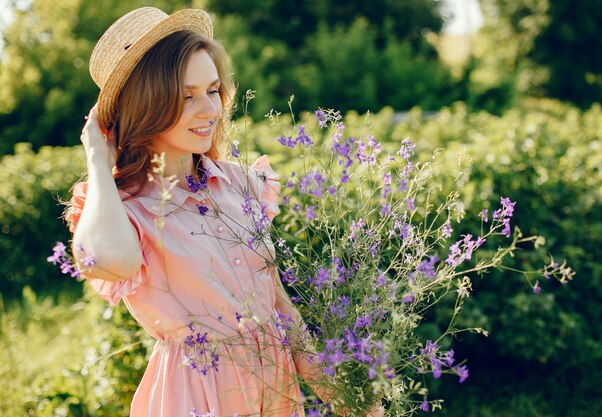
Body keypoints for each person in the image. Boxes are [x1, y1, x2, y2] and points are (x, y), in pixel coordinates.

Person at [66, 6, 384, 417]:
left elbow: (280, 308)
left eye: (212, 91)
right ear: (146, 105)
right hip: (197, 399)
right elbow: (104, 260)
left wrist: (341, 396)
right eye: (186, 96)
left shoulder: (243, 184)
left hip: (275, 391)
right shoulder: (129, 209)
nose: (209, 111)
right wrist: (97, 157)